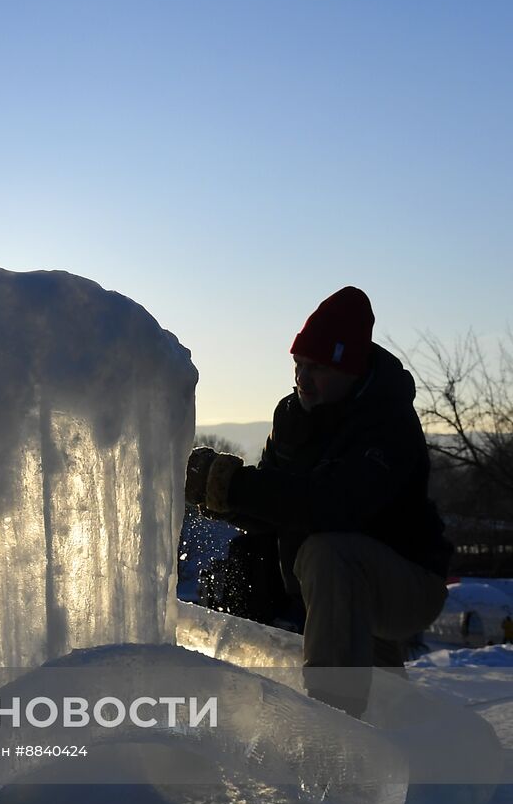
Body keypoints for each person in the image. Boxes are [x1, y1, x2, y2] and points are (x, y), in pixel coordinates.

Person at [185, 286, 451, 716]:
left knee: (328, 554)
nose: (303, 378)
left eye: (318, 367)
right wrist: (219, 497)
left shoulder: (388, 423)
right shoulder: (293, 418)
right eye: (298, 365)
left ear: (351, 368)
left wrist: (234, 486)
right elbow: (276, 510)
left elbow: (332, 506)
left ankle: (332, 729)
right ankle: (407, 747)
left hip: (408, 585)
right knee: (389, 709)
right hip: (342, 589)